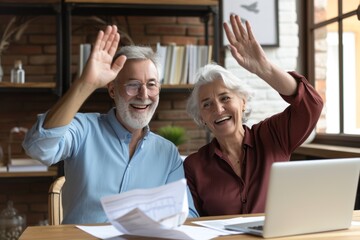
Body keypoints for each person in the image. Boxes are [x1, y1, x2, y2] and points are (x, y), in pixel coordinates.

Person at [22, 25, 198, 224]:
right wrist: (85, 84)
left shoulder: (167, 153)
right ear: (112, 90)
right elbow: (38, 149)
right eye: (132, 84)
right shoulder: (84, 129)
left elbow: (187, 215)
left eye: (151, 84)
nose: (144, 95)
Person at [184, 14, 324, 216]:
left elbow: (311, 104)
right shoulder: (195, 166)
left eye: (225, 98)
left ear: (242, 102)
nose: (218, 109)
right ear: (201, 117)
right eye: (207, 104)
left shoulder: (273, 136)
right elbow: (192, 222)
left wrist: (264, 68)